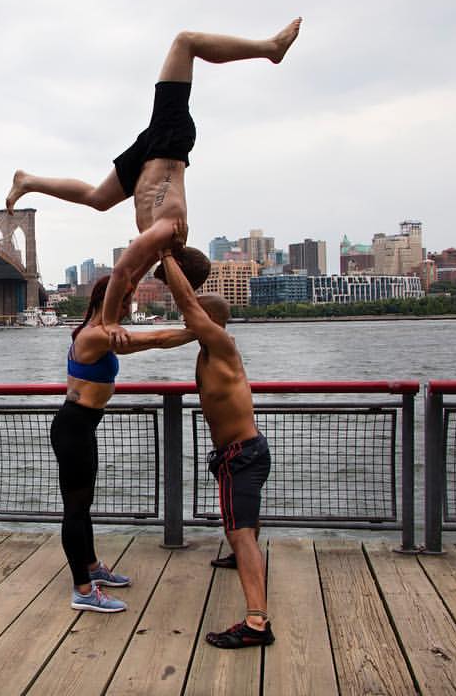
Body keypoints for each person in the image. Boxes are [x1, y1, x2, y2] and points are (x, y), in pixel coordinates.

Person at [6, 19, 302, 347]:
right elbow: (121, 273)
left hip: (147, 160)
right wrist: (109, 322)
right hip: (168, 144)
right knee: (185, 41)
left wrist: (119, 314)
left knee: (98, 198)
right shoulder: (166, 231)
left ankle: (28, 180)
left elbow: (129, 278)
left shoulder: (159, 247)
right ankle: (270, 49)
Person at [51, 275, 196, 613]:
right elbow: (157, 339)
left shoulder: (100, 330)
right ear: (109, 301)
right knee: (75, 508)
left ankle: (92, 567)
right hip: (74, 427)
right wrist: (197, 331)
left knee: (82, 503)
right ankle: (84, 591)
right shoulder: (95, 335)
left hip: (81, 426)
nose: (129, 308)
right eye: (125, 302)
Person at [158, 248, 274, 648]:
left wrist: (163, 254)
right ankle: (242, 558)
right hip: (246, 451)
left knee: (239, 531)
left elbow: (187, 304)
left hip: (240, 456)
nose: (185, 321)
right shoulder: (211, 349)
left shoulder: (221, 344)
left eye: (193, 318)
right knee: (245, 526)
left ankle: (257, 623)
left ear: (208, 321)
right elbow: (180, 321)